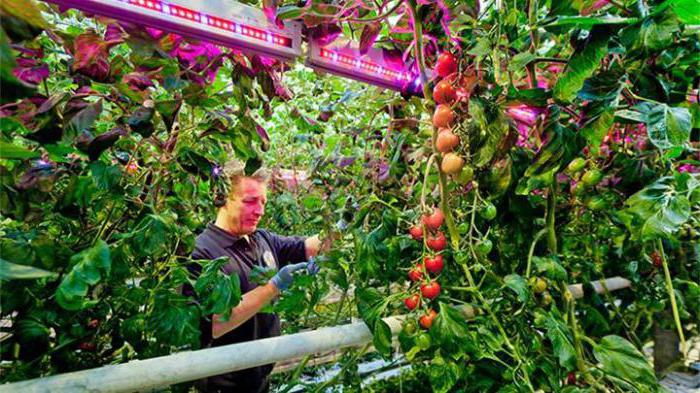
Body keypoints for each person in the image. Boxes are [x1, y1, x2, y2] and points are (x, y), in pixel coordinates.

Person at [188, 159, 332, 393]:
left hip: (260, 378)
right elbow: (215, 323)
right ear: (222, 198)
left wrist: (343, 223)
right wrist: (274, 286)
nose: (260, 211)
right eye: (250, 201)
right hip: (224, 385)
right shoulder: (203, 252)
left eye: (263, 202)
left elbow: (309, 246)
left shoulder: (261, 239)